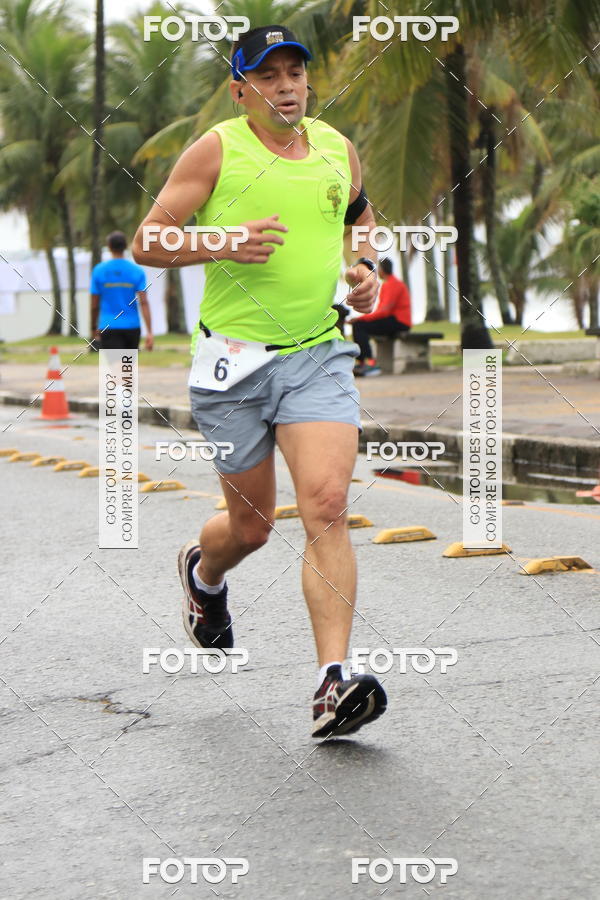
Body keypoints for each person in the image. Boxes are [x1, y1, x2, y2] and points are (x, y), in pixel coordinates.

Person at [133, 25, 387, 738]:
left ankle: (331, 685)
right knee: (251, 527)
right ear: (241, 88)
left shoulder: (338, 148)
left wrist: (368, 273)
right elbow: (150, 239)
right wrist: (220, 241)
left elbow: (361, 218)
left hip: (317, 352)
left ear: (308, 80)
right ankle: (202, 574)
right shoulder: (217, 148)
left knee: (328, 505)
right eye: (268, 76)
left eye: (295, 73)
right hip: (233, 364)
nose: (285, 86)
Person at [90, 231, 153, 350]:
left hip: (108, 325)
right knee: (127, 368)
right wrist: (149, 332)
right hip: (132, 326)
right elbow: (144, 302)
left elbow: (94, 305)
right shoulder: (137, 270)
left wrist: (93, 328)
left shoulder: (99, 270)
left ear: (109, 246)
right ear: (125, 246)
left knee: (113, 368)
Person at [351, 257, 411, 376]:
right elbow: (381, 311)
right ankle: (364, 362)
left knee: (359, 325)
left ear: (382, 270)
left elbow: (384, 311)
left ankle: (369, 363)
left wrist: (361, 318)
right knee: (360, 325)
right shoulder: (389, 284)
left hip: (398, 322)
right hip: (394, 321)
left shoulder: (392, 284)